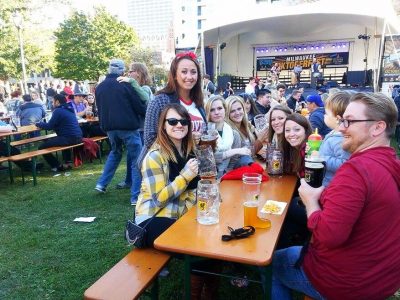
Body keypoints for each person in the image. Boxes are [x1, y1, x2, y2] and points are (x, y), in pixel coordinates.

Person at [273, 92, 400, 300]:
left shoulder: (356, 172)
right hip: (383, 277)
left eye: (349, 122)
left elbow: (329, 235)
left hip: (347, 282)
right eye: (341, 121)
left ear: (378, 127)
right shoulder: (391, 163)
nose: (341, 128)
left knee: (272, 262)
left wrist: (311, 201)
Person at [135, 103, 199, 245]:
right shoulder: (154, 156)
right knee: (197, 245)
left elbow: (193, 190)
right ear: (163, 125)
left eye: (183, 121)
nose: (179, 125)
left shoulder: (189, 152)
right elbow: (159, 199)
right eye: (172, 121)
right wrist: (185, 176)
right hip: (152, 217)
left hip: (179, 215)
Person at [94, 59, 147, 206]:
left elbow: (98, 108)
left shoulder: (100, 87)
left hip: (110, 128)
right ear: (122, 71)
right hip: (128, 127)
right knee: (137, 160)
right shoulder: (125, 85)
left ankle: (101, 184)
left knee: (115, 153)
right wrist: (145, 112)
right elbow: (138, 105)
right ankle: (135, 197)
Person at [142, 51, 206, 165]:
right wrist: (186, 141)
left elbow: (203, 134)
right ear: (175, 75)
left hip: (195, 168)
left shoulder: (199, 103)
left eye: (193, 72)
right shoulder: (160, 101)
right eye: (184, 72)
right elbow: (149, 139)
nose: (189, 77)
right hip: (168, 169)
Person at [116, 62, 153, 190]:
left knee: (140, 157)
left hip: (143, 129)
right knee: (131, 156)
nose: (129, 73)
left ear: (138, 72)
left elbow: (144, 97)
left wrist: (131, 82)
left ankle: (139, 182)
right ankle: (129, 180)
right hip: (136, 128)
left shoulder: (146, 88)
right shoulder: (134, 87)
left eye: (131, 71)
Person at [205, 96, 250, 178]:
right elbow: (207, 158)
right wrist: (233, 151)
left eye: (219, 108)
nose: (216, 112)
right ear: (208, 113)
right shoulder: (204, 133)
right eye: (212, 110)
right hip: (208, 178)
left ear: (225, 110)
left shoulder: (234, 134)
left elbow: (234, 159)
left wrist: (227, 173)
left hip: (226, 177)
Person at [36, 94, 83, 171]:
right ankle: (68, 161)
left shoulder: (58, 110)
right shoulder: (69, 109)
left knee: (41, 147)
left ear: (57, 102)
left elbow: (49, 126)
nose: (52, 103)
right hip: (79, 137)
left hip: (69, 138)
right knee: (58, 139)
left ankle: (57, 166)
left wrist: (38, 124)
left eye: (53, 101)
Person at [317, 91, 351, 186]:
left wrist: (320, 157)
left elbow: (345, 163)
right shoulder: (334, 133)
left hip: (331, 185)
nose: (324, 116)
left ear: (337, 118)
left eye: (326, 113)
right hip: (325, 181)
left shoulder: (340, 139)